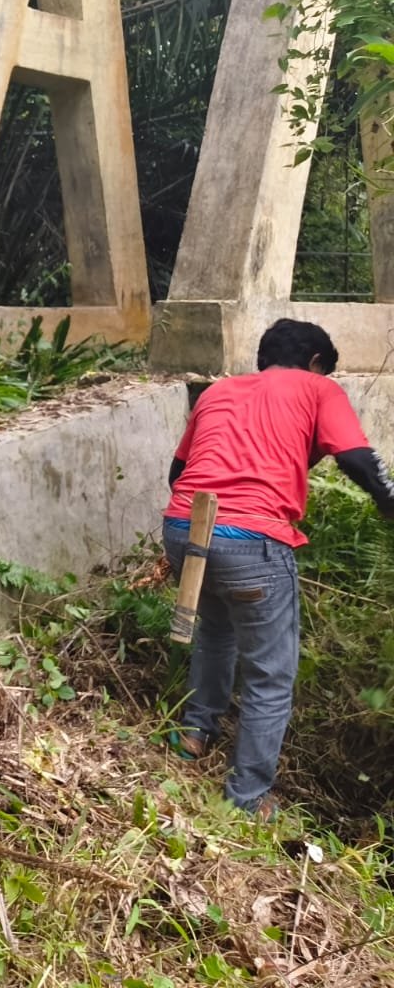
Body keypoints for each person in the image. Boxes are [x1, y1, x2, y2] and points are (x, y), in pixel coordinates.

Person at [163, 318, 394, 817]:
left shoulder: (220, 391)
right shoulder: (317, 387)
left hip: (184, 529)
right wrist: (389, 500)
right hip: (253, 543)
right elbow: (357, 458)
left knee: (217, 631)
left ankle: (194, 734)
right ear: (315, 363)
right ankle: (246, 801)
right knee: (270, 675)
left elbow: (177, 473)